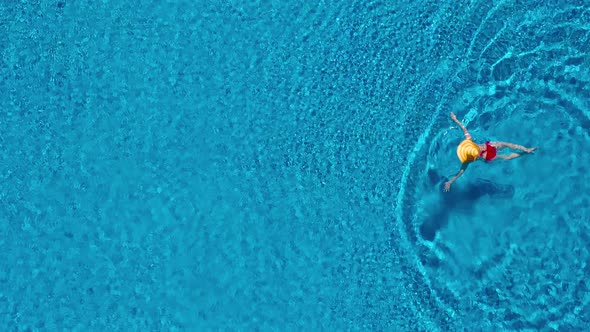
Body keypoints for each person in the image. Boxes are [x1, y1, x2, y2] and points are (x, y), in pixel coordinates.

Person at [444, 112, 537, 192]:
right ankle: (526, 149)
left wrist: (450, 181)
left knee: (506, 157)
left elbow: (461, 171)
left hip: (487, 157)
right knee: (507, 144)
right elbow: (464, 128)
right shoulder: (469, 139)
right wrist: (455, 119)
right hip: (489, 146)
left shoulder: (468, 160)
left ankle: (524, 153)